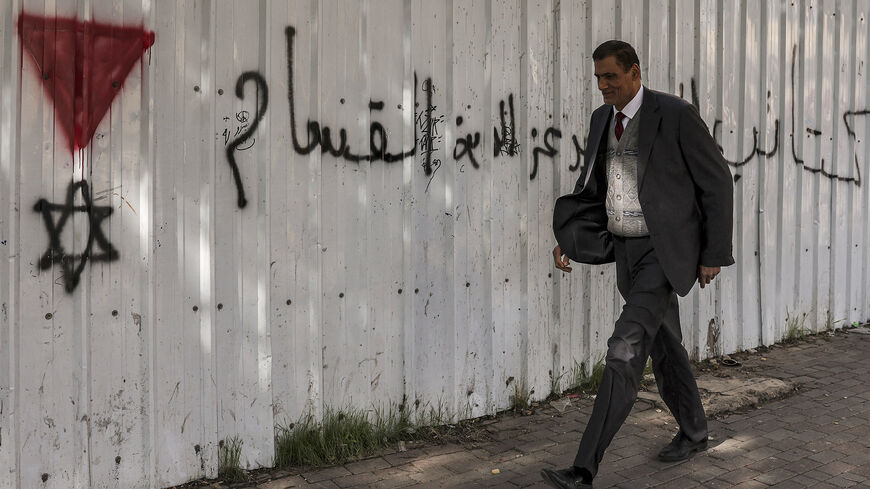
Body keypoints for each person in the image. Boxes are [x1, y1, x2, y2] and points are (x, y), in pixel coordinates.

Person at [541, 40, 735, 489]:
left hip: (664, 255)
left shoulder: (675, 114)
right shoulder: (600, 121)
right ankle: (694, 430)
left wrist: (712, 255)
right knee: (665, 346)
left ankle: (583, 468)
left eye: (611, 76)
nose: (603, 85)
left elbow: (717, 182)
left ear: (634, 71)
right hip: (625, 252)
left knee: (624, 350)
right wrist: (567, 237)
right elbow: (593, 186)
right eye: (598, 78)